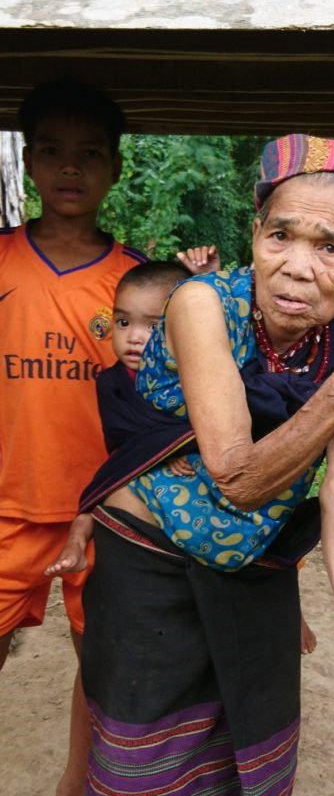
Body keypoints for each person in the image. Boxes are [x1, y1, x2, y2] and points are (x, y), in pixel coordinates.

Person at [75, 134, 334, 796]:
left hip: (255, 564)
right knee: (141, 748)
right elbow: (236, 475)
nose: (297, 265)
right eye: (280, 236)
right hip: (149, 563)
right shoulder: (201, 304)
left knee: (254, 745)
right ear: (253, 236)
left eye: (330, 247)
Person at [0, 77, 153, 796]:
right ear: (28, 161)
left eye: (89, 154)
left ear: (115, 168)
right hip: (6, 507)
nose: (70, 168)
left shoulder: (137, 287)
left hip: (107, 516)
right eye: (53, 151)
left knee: (103, 668)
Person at [47, 255, 318, 656]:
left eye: (153, 325)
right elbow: (127, 440)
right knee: (99, 493)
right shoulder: (112, 382)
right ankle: (75, 544)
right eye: (123, 323)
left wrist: (186, 444)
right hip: (142, 470)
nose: (135, 337)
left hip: (224, 475)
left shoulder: (203, 363)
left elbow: (225, 412)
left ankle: (289, 610)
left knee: (273, 522)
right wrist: (162, 452)